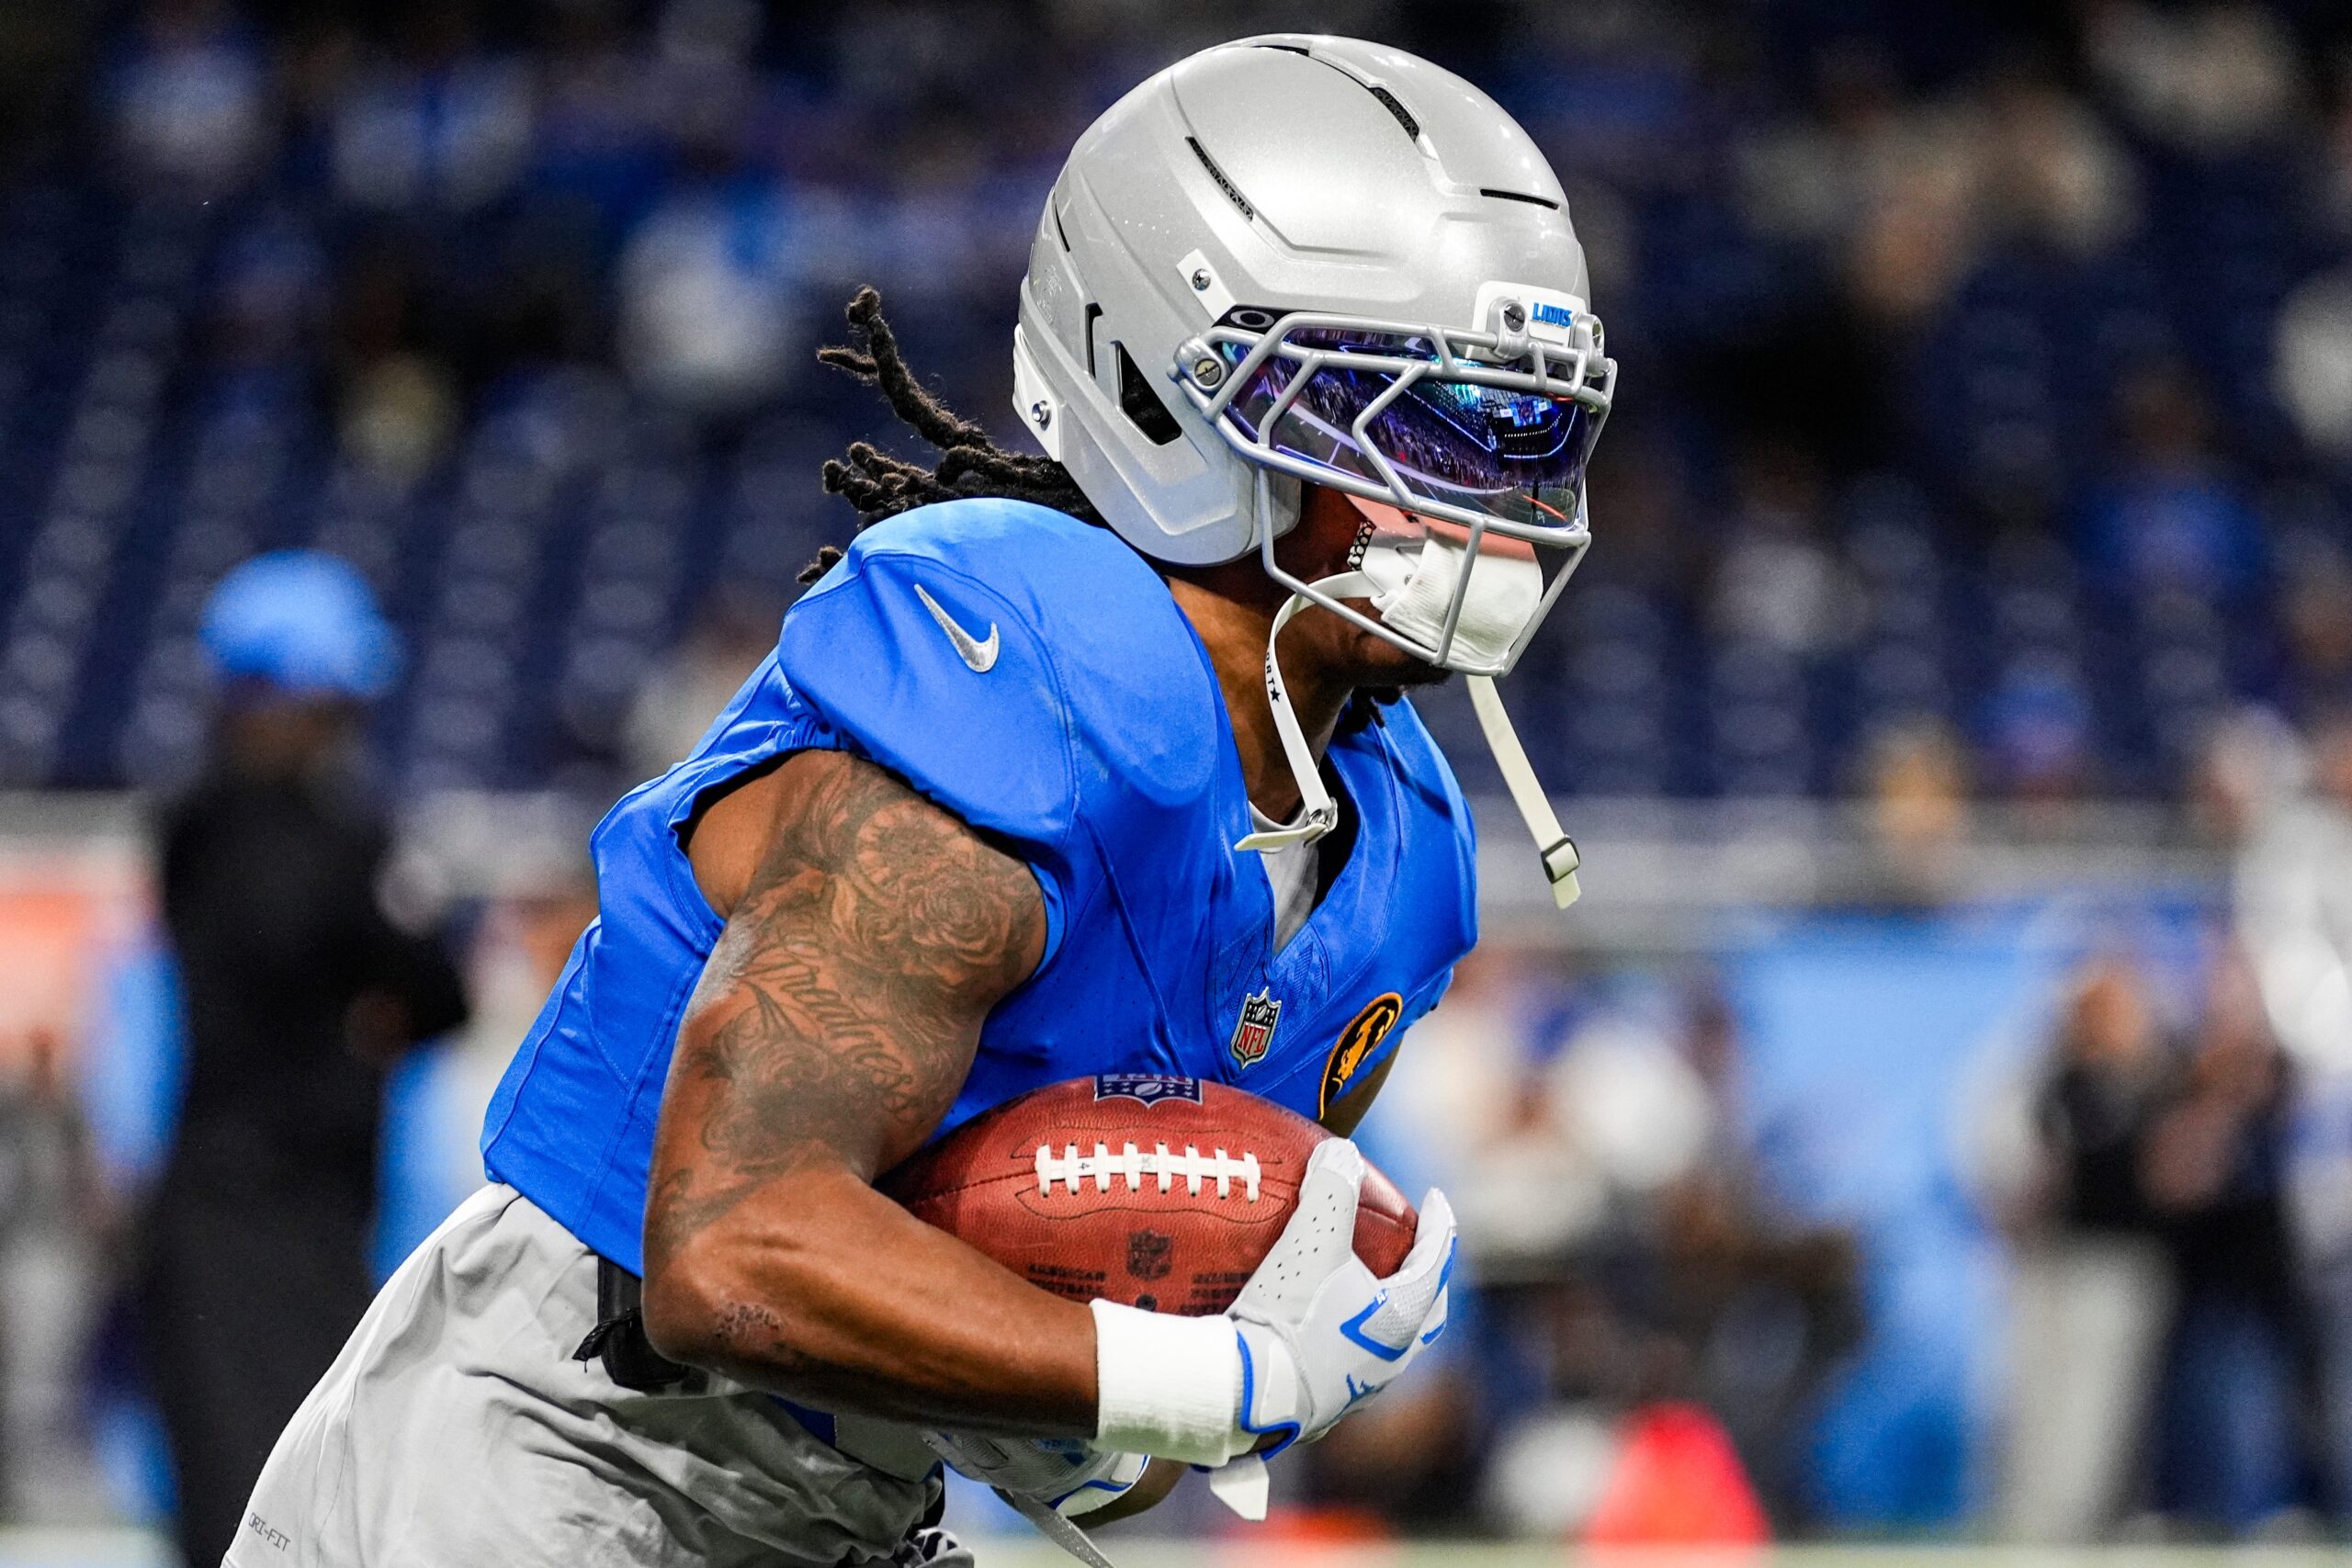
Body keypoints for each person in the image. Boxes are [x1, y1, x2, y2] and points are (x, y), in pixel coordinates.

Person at [232, 35, 1613, 1568]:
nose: (1488, 495)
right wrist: (1202, 1378)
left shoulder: (1399, 852)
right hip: (560, 1447)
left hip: (850, 1504)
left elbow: (1078, 1402)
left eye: (1525, 429)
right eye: (1413, 419)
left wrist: (1193, 1378)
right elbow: (735, 1250)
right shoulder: (1030, 687)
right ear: (1171, 391)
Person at [142, 551, 468, 1568]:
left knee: (307, 1495)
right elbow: (418, 976)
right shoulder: (283, 834)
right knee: (257, 1498)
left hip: (295, 1206)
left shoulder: (237, 826)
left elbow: (432, 991)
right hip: (247, 1208)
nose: (341, 725)